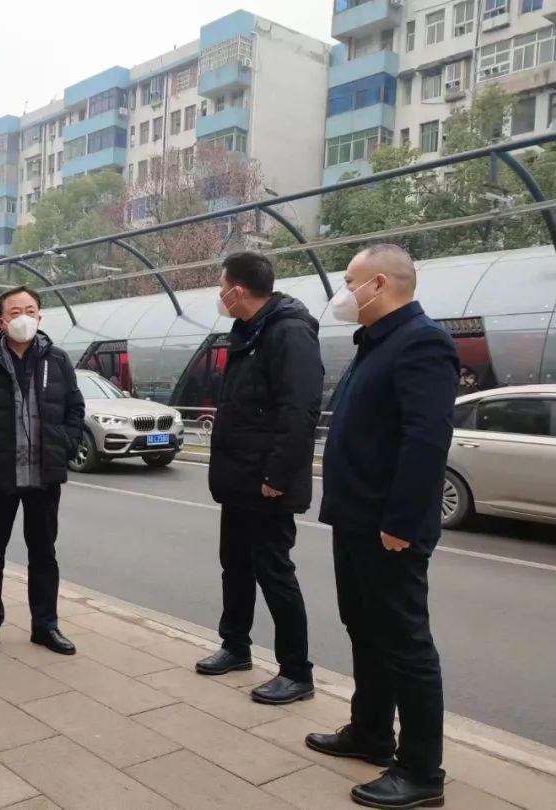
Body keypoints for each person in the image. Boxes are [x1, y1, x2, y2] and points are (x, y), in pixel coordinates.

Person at [306, 244, 458, 810]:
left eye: (350, 281)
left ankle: (420, 771)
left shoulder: (422, 342)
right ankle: (370, 731)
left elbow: (426, 439)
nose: (343, 292)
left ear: (380, 284)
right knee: (364, 630)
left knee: (405, 643)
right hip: (355, 518)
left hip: (388, 526)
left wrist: (402, 522)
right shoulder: (374, 341)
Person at [197, 252, 323, 707]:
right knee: (235, 564)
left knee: (274, 572)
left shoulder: (289, 332)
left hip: (267, 480)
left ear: (238, 290)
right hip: (238, 476)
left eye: (221, 286)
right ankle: (235, 646)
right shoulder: (248, 330)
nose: (219, 295)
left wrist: (278, 474)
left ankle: (296, 671)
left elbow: (299, 409)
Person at [0, 286, 85, 657]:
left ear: (40, 316)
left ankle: (46, 626)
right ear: (1, 321)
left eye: (30, 310)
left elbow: (75, 409)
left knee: (44, 554)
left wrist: (65, 446)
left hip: (44, 476)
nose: (24, 317)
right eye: (15, 312)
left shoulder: (57, 360)